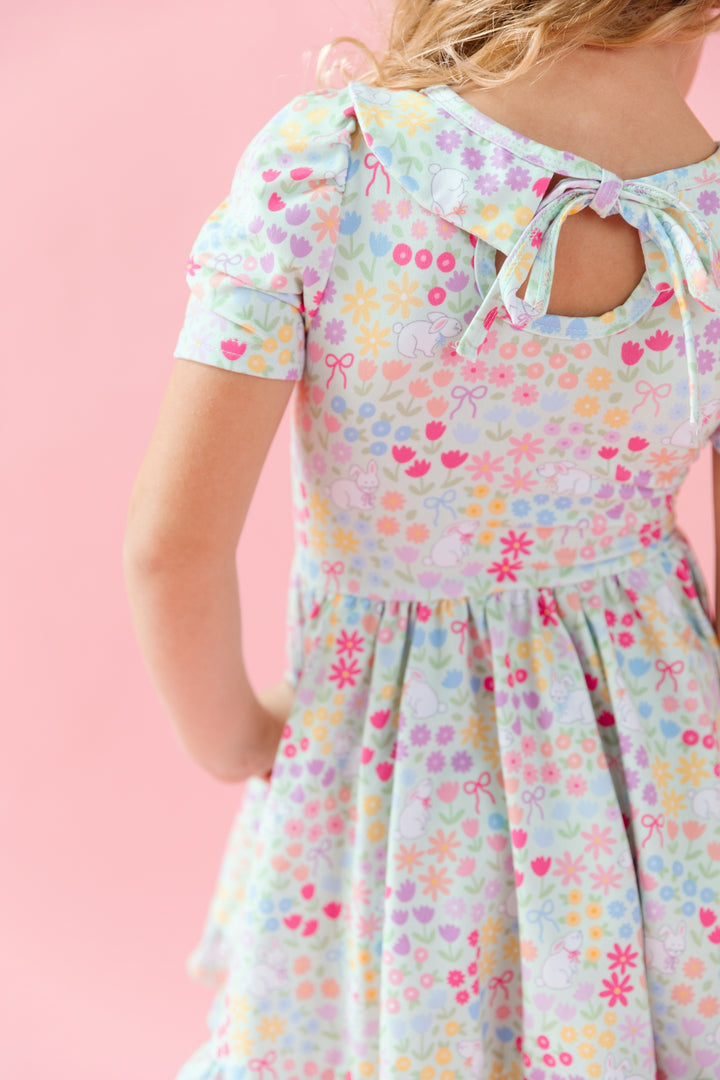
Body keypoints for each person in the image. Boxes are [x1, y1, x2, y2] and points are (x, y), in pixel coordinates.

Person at [123, 0, 720, 1076]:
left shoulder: (328, 168)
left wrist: (239, 741)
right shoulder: (712, 217)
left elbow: (172, 544)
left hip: (396, 754)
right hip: (660, 763)